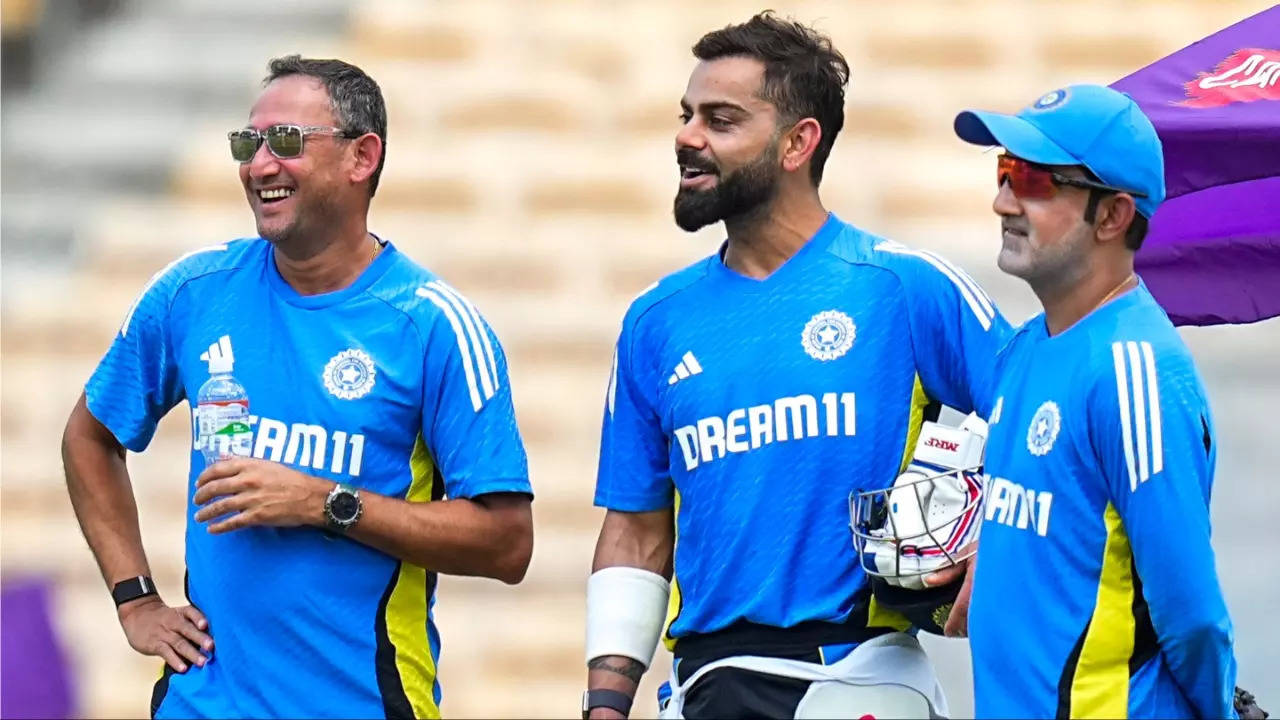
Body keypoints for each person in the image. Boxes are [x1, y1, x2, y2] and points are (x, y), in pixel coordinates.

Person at [61, 56, 534, 719]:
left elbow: (507, 543)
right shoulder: (194, 293)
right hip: (204, 702)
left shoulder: (432, 324)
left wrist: (328, 503)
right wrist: (135, 597)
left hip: (362, 701)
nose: (259, 165)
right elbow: (89, 435)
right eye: (246, 144)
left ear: (361, 157)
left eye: (285, 142)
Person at [582, 13, 1011, 719]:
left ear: (797, 143)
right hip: (703, 685)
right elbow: (635, 529)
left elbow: (1047, 414)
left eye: (720, 120)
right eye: (687, 115)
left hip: (859, 675)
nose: (687, 137)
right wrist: (606, 703)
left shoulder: (903, 286)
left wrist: (1000, 525)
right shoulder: (655, 322)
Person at [945, 84, 1240, 717]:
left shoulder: (1139, 371)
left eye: (1032, 179)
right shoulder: (1027, 347)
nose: (1002, 201)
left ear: (1112, 216)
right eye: (1003, 171)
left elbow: (1192, 618)